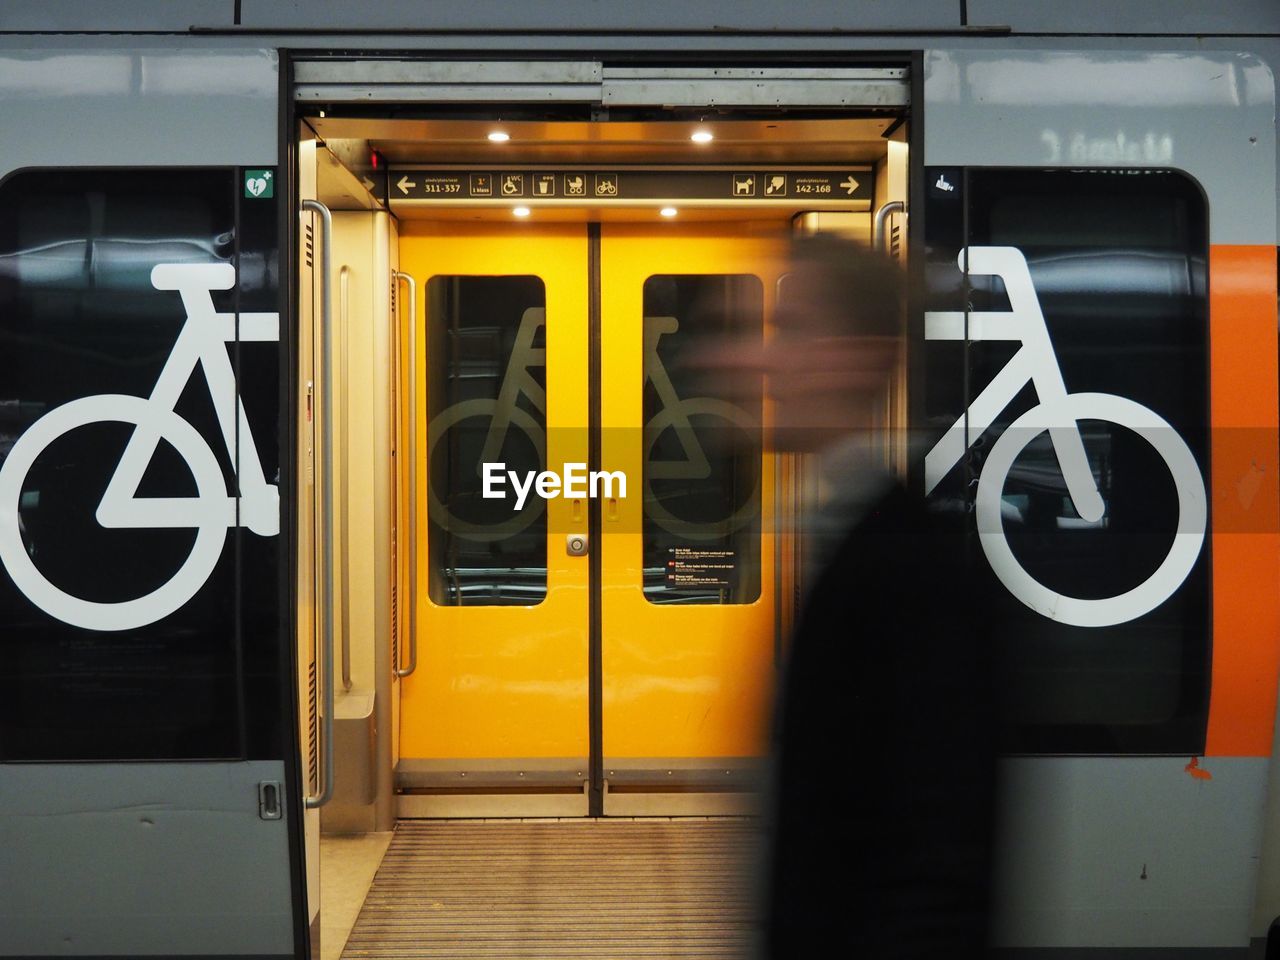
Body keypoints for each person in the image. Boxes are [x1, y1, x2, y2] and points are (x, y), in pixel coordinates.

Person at [755, 236, 1000, 957]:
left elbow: (937, 876)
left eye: (791, 331)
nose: (768, 364)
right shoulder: (842, 533)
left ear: (855, 354)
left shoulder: (913, 576)